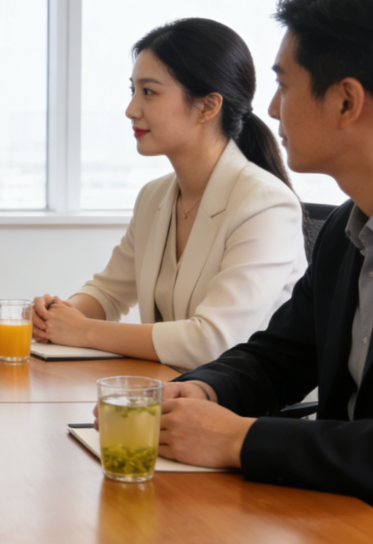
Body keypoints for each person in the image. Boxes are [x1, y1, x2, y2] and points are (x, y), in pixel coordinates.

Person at [140, 0, 373, 503]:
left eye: (284, 86)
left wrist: (239, 439)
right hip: (334, 516)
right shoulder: (345, 232)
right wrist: (203, 389)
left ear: (346, 102)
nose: (270, 109)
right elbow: (279, 356)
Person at [32, 19, 306, 370]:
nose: (131, 109)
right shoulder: (154, 196)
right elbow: (109, 292)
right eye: (133, 90)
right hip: (168, 387)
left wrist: (83, 331)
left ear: (208, 106)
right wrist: (59, 315)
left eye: (149, 92)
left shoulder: (266, 205)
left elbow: (213, 341)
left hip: (239, 399)